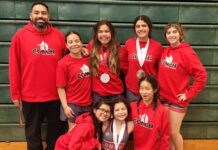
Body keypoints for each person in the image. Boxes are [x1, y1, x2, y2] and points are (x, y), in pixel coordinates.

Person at [9, 2, 66, 150]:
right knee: (33, 135)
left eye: (43, 13)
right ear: (31, 16)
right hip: (30, 96)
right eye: (36, 12)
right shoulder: (19, 36)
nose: (40, 15)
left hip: (55, 96)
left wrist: (83, 53)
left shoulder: (59, 36)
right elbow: (14, 67)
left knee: (55, 133)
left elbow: (69, 61)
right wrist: (16, 93)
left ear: (48, 16)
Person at [158, 23, 207, 150]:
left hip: (177, 100)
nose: (171, 35)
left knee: (174, 132)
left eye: (175, 32)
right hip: (163, 98)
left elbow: (201, 75)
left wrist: (188, 94)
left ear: (181, 34)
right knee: (167, 133)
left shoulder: (187, 52)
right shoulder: (165, 51)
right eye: (168, 33)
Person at [121, 15, 162, 102]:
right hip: (132, 88)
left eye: (144, 26)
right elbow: (124, 64)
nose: (141, 29)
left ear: (149, 28)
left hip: (149, 88)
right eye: (138, 26)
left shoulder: (157, 46)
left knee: (149, 114)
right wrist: (131, 73)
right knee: (134, 114)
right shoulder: (129, 43)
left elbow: (159, 68)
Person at [56, 31, 92, 131]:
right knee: (74, 132)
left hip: (89, 103)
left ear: (81, 43)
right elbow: (60, 87)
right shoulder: (63, 63)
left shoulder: (88, 59)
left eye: (77, 41)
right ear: (66, 45)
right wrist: (65, 107)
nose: (74, 44)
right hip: (73, 105)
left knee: (88, 131)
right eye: (70, 42)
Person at [87, 20, 124, 104]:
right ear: (96, 34)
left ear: (112, 33)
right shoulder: (91, 46)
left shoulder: (118, 48)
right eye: (100, 32)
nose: (103, 34)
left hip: (116, 93)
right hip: (98, 94)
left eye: (107, 31)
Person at [130, 76, 170, 150]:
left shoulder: (162, 111)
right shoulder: (133, 106)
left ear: (154, 90)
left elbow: (165, 136)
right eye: (141, 88)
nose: (144, 92)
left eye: (147, 89)